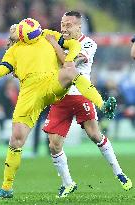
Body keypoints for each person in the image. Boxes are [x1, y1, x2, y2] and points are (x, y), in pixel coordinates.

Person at [0, 18, 116, 199]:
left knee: (70, 72)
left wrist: (69, 60)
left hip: (50, 84)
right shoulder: (14, 51)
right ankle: (6, 188)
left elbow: (73, 45)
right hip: (29, 95)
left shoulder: (47, 34)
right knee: (16, 140)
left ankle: (102, 105)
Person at [42, 11, 132, 198]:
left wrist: (52, 44)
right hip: (60, 97)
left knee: (94, 135)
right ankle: (68, 183)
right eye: (62, 24)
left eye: (69, 25)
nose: (64, 28)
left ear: (79, 27)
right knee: (53, 145)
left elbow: (70, 63)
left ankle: (119, 173)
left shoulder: (89, 43)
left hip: (81, 95)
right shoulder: (57, 40)